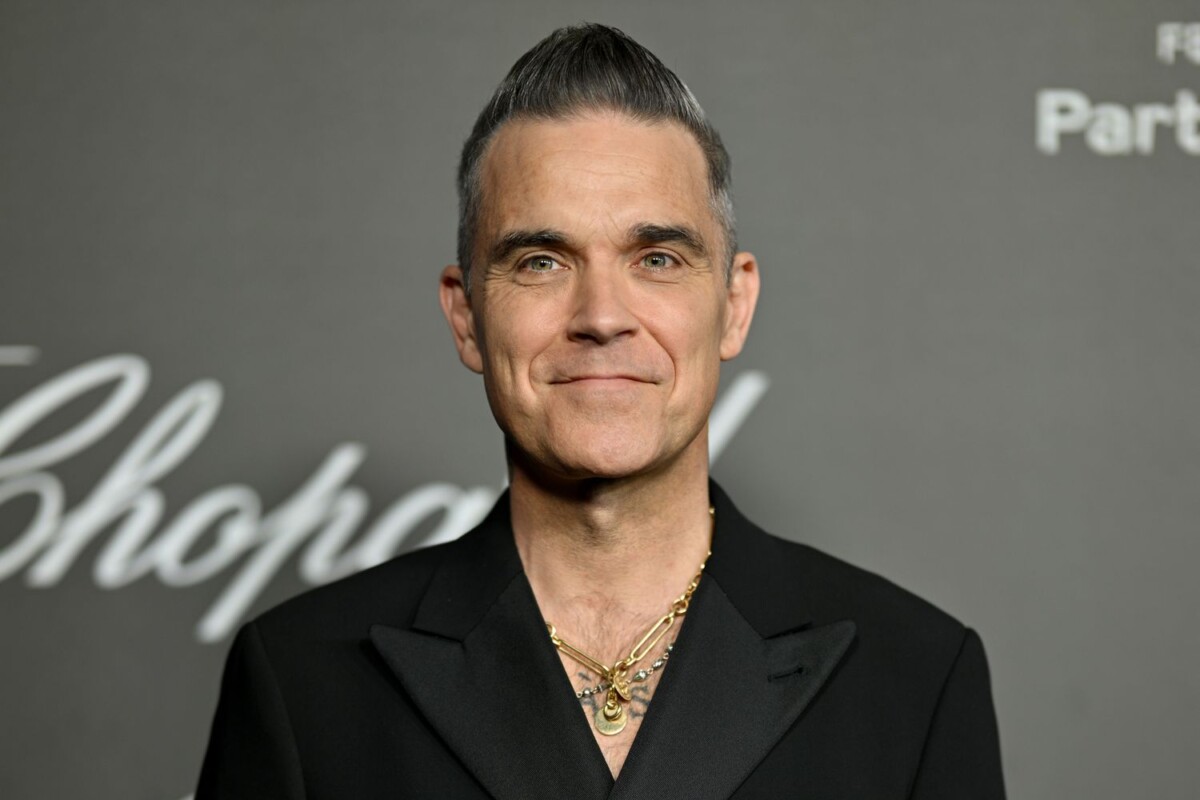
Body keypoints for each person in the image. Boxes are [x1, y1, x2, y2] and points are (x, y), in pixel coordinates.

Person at [197, 23, 1006, 799]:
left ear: (734, 306)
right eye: (541, 262)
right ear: (466, 316)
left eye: (656, 258)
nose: (602, 316)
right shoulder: (301, 678)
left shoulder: (915, 677)